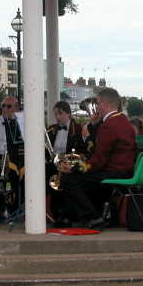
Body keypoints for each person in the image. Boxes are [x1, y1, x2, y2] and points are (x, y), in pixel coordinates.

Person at [58, 87, 136, 230]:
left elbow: (98, 161)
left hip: (114, 171)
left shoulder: (109, 125)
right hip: (124, 169)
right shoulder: (123, 120)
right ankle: (69, 216)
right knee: (80, 178)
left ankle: (93, 218)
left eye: (98, 103)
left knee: (69, 179)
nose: (97, 107)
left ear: (105, 104)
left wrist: (75, 167)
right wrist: (94, 125)